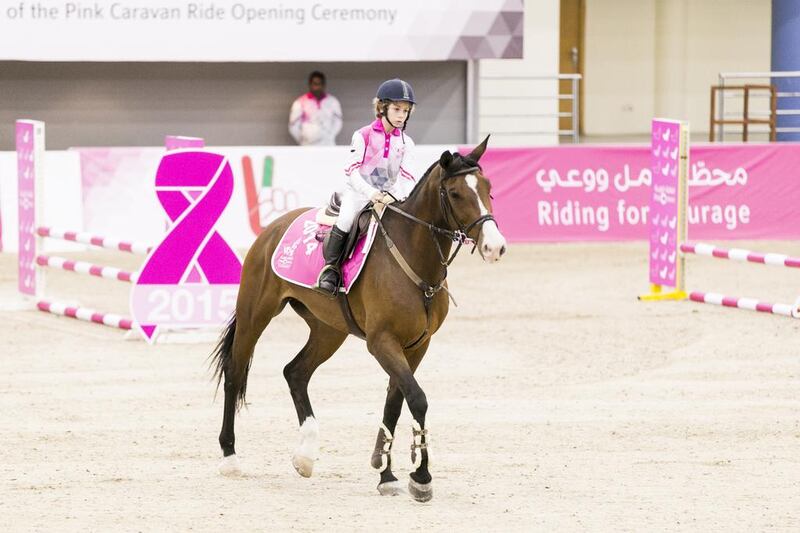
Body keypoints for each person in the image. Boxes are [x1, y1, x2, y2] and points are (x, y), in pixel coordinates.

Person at [316, 78, 419, 296]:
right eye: (397, 109)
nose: (402, 115)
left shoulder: (407, 143)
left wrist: (395, 195)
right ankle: (330, 270)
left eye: (406, 110)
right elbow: (351, 171)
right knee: (345, 219)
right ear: (382, 108)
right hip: (360, 194)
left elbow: (408, 176)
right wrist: (371, 193)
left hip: (390, 197)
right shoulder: (362, 135)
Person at [288, 71, 343, 146]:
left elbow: (338, 122)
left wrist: (330, 136)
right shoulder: (300, 102)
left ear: (324, 85)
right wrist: (304, 138)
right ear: (310, 84)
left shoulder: (333, 101)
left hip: (328, 144)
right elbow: (293, 126)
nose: (318, 87)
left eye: (321, 84)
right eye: (315, 84)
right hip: (308, 145)